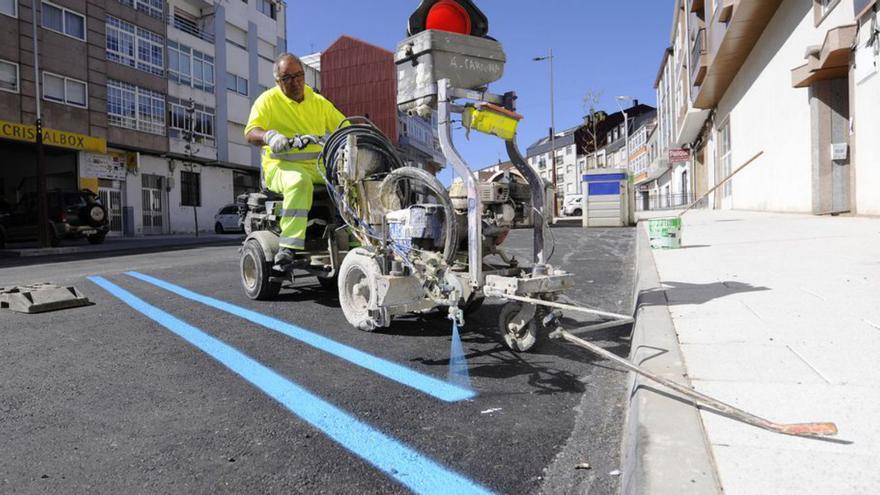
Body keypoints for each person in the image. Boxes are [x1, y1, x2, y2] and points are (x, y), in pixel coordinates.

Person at [245, 53, 346, 266]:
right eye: (287, 78)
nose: (295, 82)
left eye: (299, 75)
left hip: (317, 167)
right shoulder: (268, 101)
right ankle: (289, 246)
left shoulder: (318, 102)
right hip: (280, 167)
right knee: (299, 182)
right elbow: (250, 132)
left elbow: (345, 127)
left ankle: (354, 238)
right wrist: (269, 136)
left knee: (351, 180)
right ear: (277, 81)